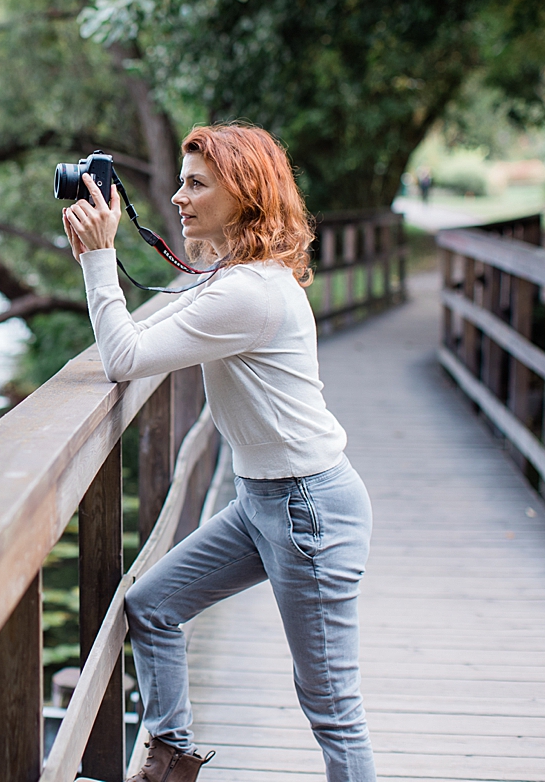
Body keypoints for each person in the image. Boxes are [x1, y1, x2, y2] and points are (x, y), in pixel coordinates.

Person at [61, 123, 374, 782]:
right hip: (262, 501)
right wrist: (101, 256)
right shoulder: (234, 276)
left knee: (331, 706)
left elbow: (125, 359)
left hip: (305, 507)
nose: (177, 197)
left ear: (243, 194)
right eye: (182, 182)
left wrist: (99, 258)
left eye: (196, 184)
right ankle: (170, 758)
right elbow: (147, 336)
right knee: (153, 604)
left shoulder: (245, 292)